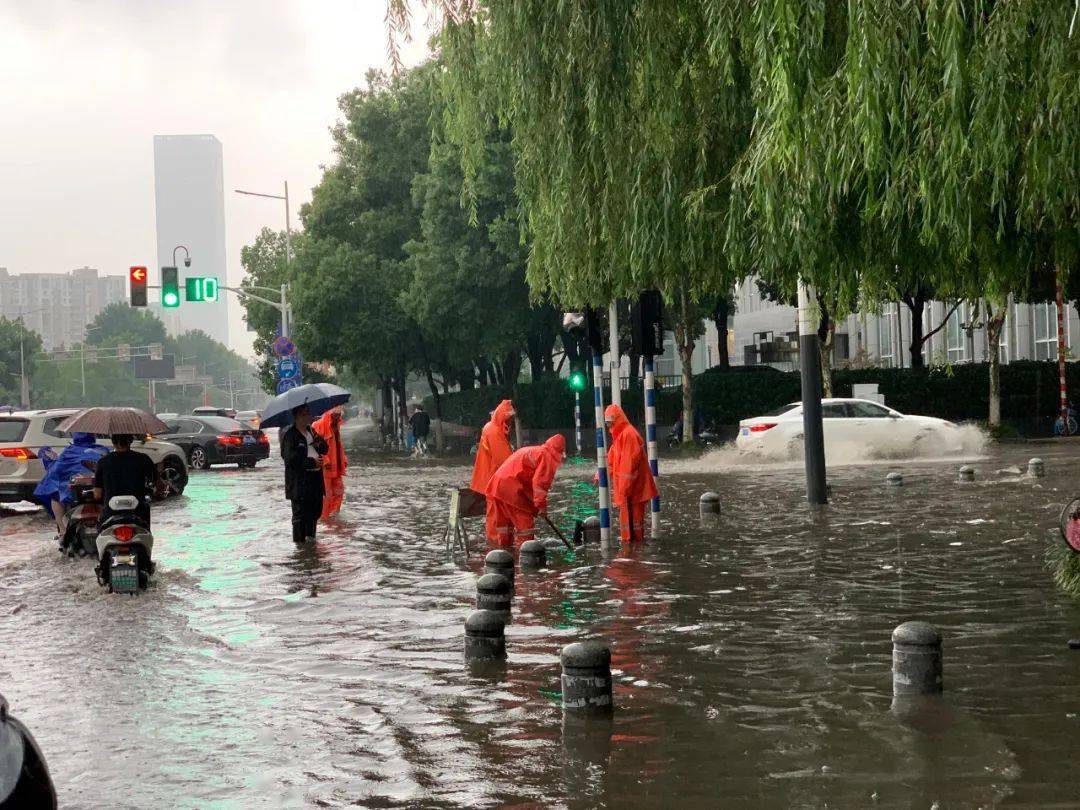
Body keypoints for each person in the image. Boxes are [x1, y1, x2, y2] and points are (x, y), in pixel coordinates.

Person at [484, 434, 566, 546]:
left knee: (504, 527)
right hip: (512, 490)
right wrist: (541, 506)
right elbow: (540, 484)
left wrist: (537, 505)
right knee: (525, 528)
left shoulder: (534, 451)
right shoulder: (547, 457)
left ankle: (504, 552)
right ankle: (525, 556)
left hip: (497, 487)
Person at [34, 432, 107, 537]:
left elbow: (55, 472)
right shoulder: (103, 450)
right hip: (100, 491)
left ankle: (63, 530)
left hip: (75, 494)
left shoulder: (68, 452)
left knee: (54, 494)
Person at [605, 404, 658, 542]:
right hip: (628, 491)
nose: (608, 426)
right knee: (629, 529)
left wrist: (624, 490)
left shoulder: (628, 434)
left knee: (633, 530)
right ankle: (632, 553)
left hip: (632, 491)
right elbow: (612, 459)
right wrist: (601, 474)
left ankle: (633, 555)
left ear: (616, 420)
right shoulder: (620, 435)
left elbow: (629, 466)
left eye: (610, 422)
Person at [280, 404, 329, 543]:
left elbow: (325, 449)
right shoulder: (291, 436)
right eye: (304, 414)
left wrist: (320, 444)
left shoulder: (311, 431)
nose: (308, 416)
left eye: (308, 413)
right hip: (299, 483)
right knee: (300, 516)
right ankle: (300, 548)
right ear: (297, 417)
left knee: (315, 512)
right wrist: (312, 462)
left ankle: (311, 544)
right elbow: (290, 459)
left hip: (315, 481)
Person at [93, 434, 158, 529]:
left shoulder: (103, 462)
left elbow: (97, 495)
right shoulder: (143, 459)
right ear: (131, 441)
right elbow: (155, 483)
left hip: (110, 512)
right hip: (138, 512)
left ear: (113, 442)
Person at [470, 399, 515, 493]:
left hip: (485, 482)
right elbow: (505, 461)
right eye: (509, 418)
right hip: (490, 484)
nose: (511, 421)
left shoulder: (491, 427)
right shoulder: (494, 432)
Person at [312, 406, 346, 521]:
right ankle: (324, 518)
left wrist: (343, 459)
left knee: (339, 491)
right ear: (330, 414)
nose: (337, 417)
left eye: (339, 415)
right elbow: (313, 447)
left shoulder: (336, 426)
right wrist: (325, 460)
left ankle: (334, 516)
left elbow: (338, 445)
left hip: (336, 467)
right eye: (335, 415)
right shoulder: (318, 426)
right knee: (326, 495)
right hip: (324, 468)